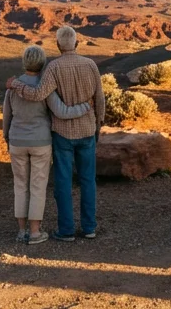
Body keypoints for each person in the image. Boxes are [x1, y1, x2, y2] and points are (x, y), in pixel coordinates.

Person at [8, 25, 106, 242]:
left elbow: (38, 94)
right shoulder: (90, 65)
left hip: (62, 134)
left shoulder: (53, 68)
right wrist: (98, 124)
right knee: (88, 180)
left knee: (63, 182)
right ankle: (89, 228)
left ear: (58, 45)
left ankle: (66, 230)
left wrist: (16, 85)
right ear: (77, 44)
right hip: (87, 131)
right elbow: (100, 98)